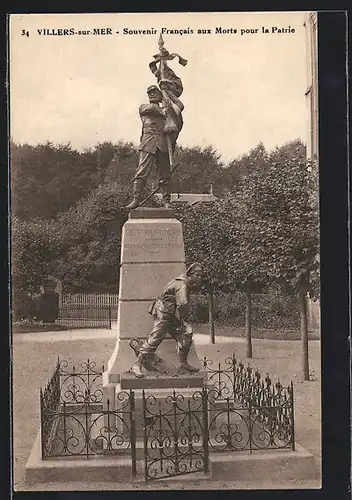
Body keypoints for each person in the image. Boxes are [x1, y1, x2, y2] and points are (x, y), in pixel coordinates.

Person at [131, 263, 204, 378]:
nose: (200, 278)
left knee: (184, 335)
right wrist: (186, 321)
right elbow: (183, 303)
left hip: (169, 314)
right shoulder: (182, 284)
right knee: (155, 338)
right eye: (198, 275)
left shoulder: (185, 282)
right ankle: (137, 364)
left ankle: (183, 363)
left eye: (201, 275)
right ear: (191, 274)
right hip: (163, 313)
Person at [125, 85, 173, 210]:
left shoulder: (166, 112)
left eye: (154, 92)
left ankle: (167, 201)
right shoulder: (144, 107)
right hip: (148, 143)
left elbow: (175, 124)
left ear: (160, 94)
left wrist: (168, 111)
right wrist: (162, 110)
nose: (152, 94)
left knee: (164, 174)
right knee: (142, 172)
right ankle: (136, 199)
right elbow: (149, 108)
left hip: (162, 144)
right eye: (149, 93)